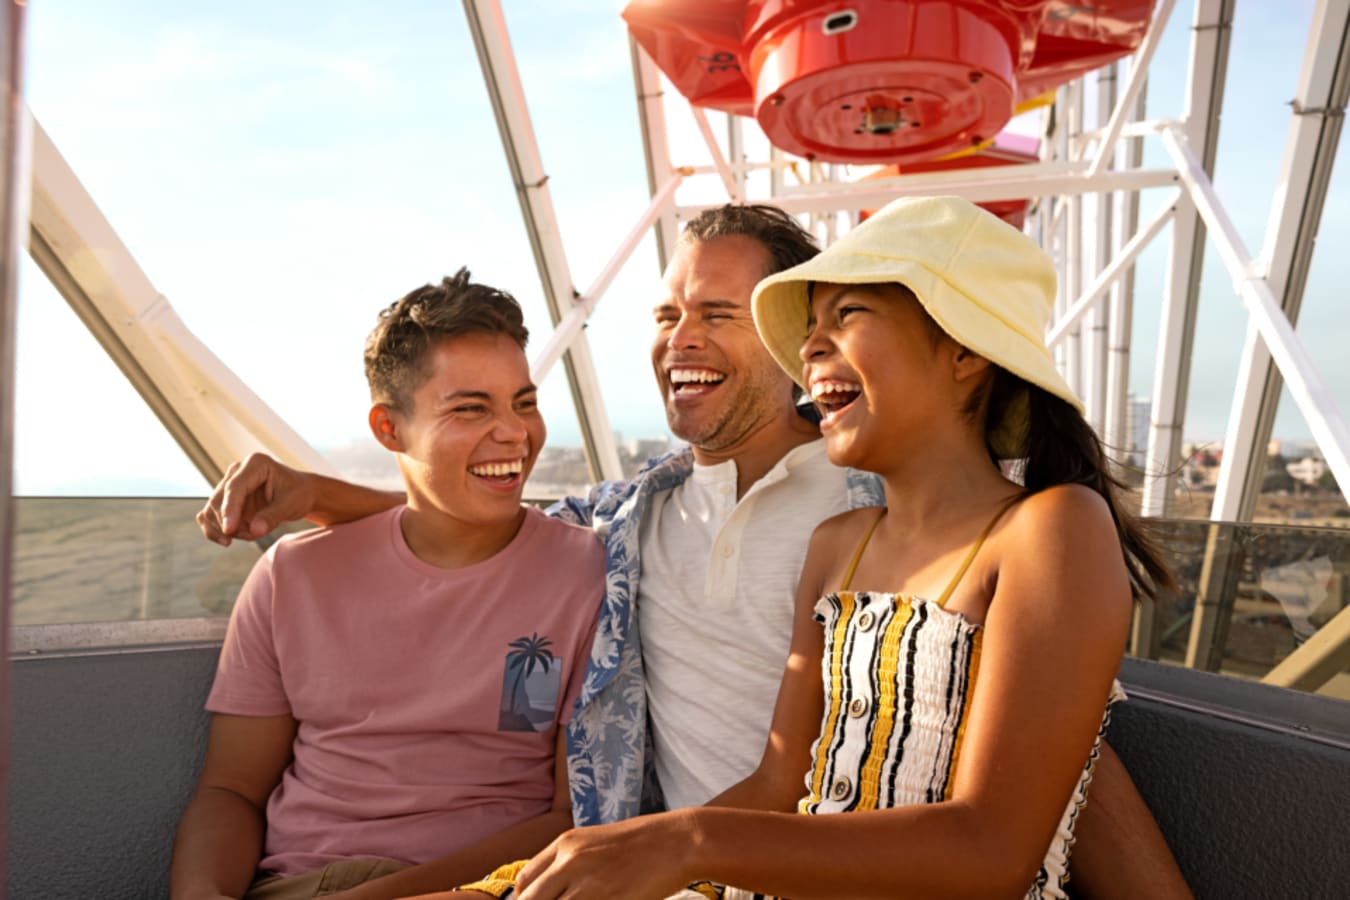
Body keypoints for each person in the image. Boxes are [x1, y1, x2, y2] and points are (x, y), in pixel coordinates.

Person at [196, 205, 1192, 899]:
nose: (680, 337)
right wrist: (321, 495)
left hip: (749, 864)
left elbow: (1064, 762)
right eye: (667, 313)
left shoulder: (903, 512)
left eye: (720, 313)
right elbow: (484, 513)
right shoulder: (636, 519)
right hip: (689, 868)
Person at [499, 195, 1177, 900]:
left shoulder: (1053, 528)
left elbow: (994, 850)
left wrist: (685, 841)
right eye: (810, 326)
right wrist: (624, 854)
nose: (810, 346)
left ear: (966, 347)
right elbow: (779, 782)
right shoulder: (839, 546)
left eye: (847, 314)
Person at [170, 270, 606, 900]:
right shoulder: (291, 577)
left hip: (491, 887)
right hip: (308, 883)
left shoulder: (585, 573)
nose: (514, 433)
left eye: (525, 402)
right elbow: (231, 791)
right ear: (388, 430)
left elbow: (569, 817)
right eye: (470, 409)